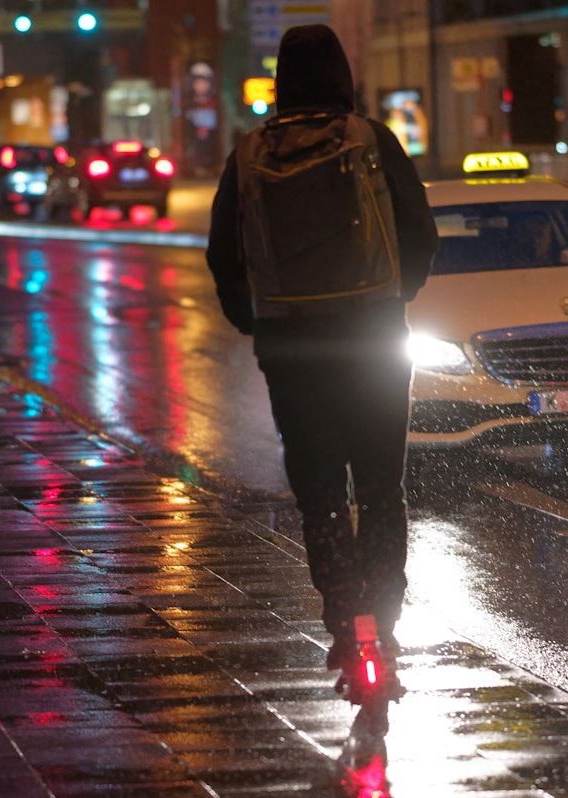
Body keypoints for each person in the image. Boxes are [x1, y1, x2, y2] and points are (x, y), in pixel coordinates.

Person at [205, 24, 439, 680]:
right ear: (342, 75)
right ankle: (381, 625)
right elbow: (421, 233)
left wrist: (261, 323)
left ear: (280, 79)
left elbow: (223, 255)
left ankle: (343, 620)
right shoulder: (373, 141)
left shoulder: (249, 154)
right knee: (380, 487)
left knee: (320, 493)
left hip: (293, 349)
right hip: (373, 338)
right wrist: (394, 294)